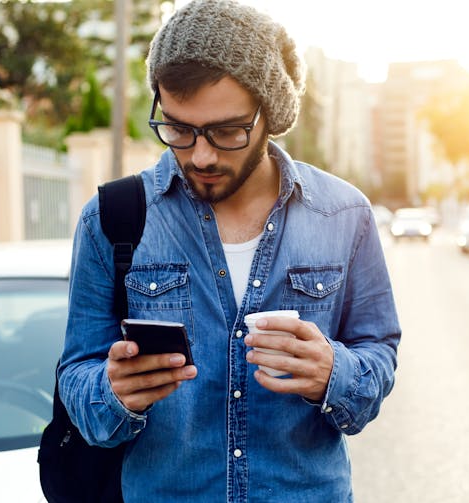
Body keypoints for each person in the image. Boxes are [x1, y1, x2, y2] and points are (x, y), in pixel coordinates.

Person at [58, 0, 401, 501]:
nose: (200, 154)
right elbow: (77, 375)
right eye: (178, 128)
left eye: (225, 131)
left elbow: (379, 353)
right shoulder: (110, 220)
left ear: (271, 114)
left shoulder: (345, 215)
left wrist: (335, 374)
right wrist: (111, 394)